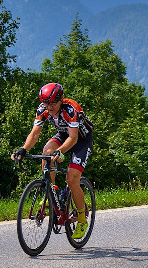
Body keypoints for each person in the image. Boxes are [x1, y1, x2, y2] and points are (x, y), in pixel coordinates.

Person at [12, 83, 94, 239]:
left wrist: (61, 151)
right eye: (45, 103)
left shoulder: (71, 109)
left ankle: (82, 219)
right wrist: (23, 149)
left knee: (71, 178)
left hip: (81, 140)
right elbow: (34, 134)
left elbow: (73, 138)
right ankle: (52, 190)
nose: (49, 107)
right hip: (63, 135)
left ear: (61, 99)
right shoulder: (42, 109)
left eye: (52, 103)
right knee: (46, 152)